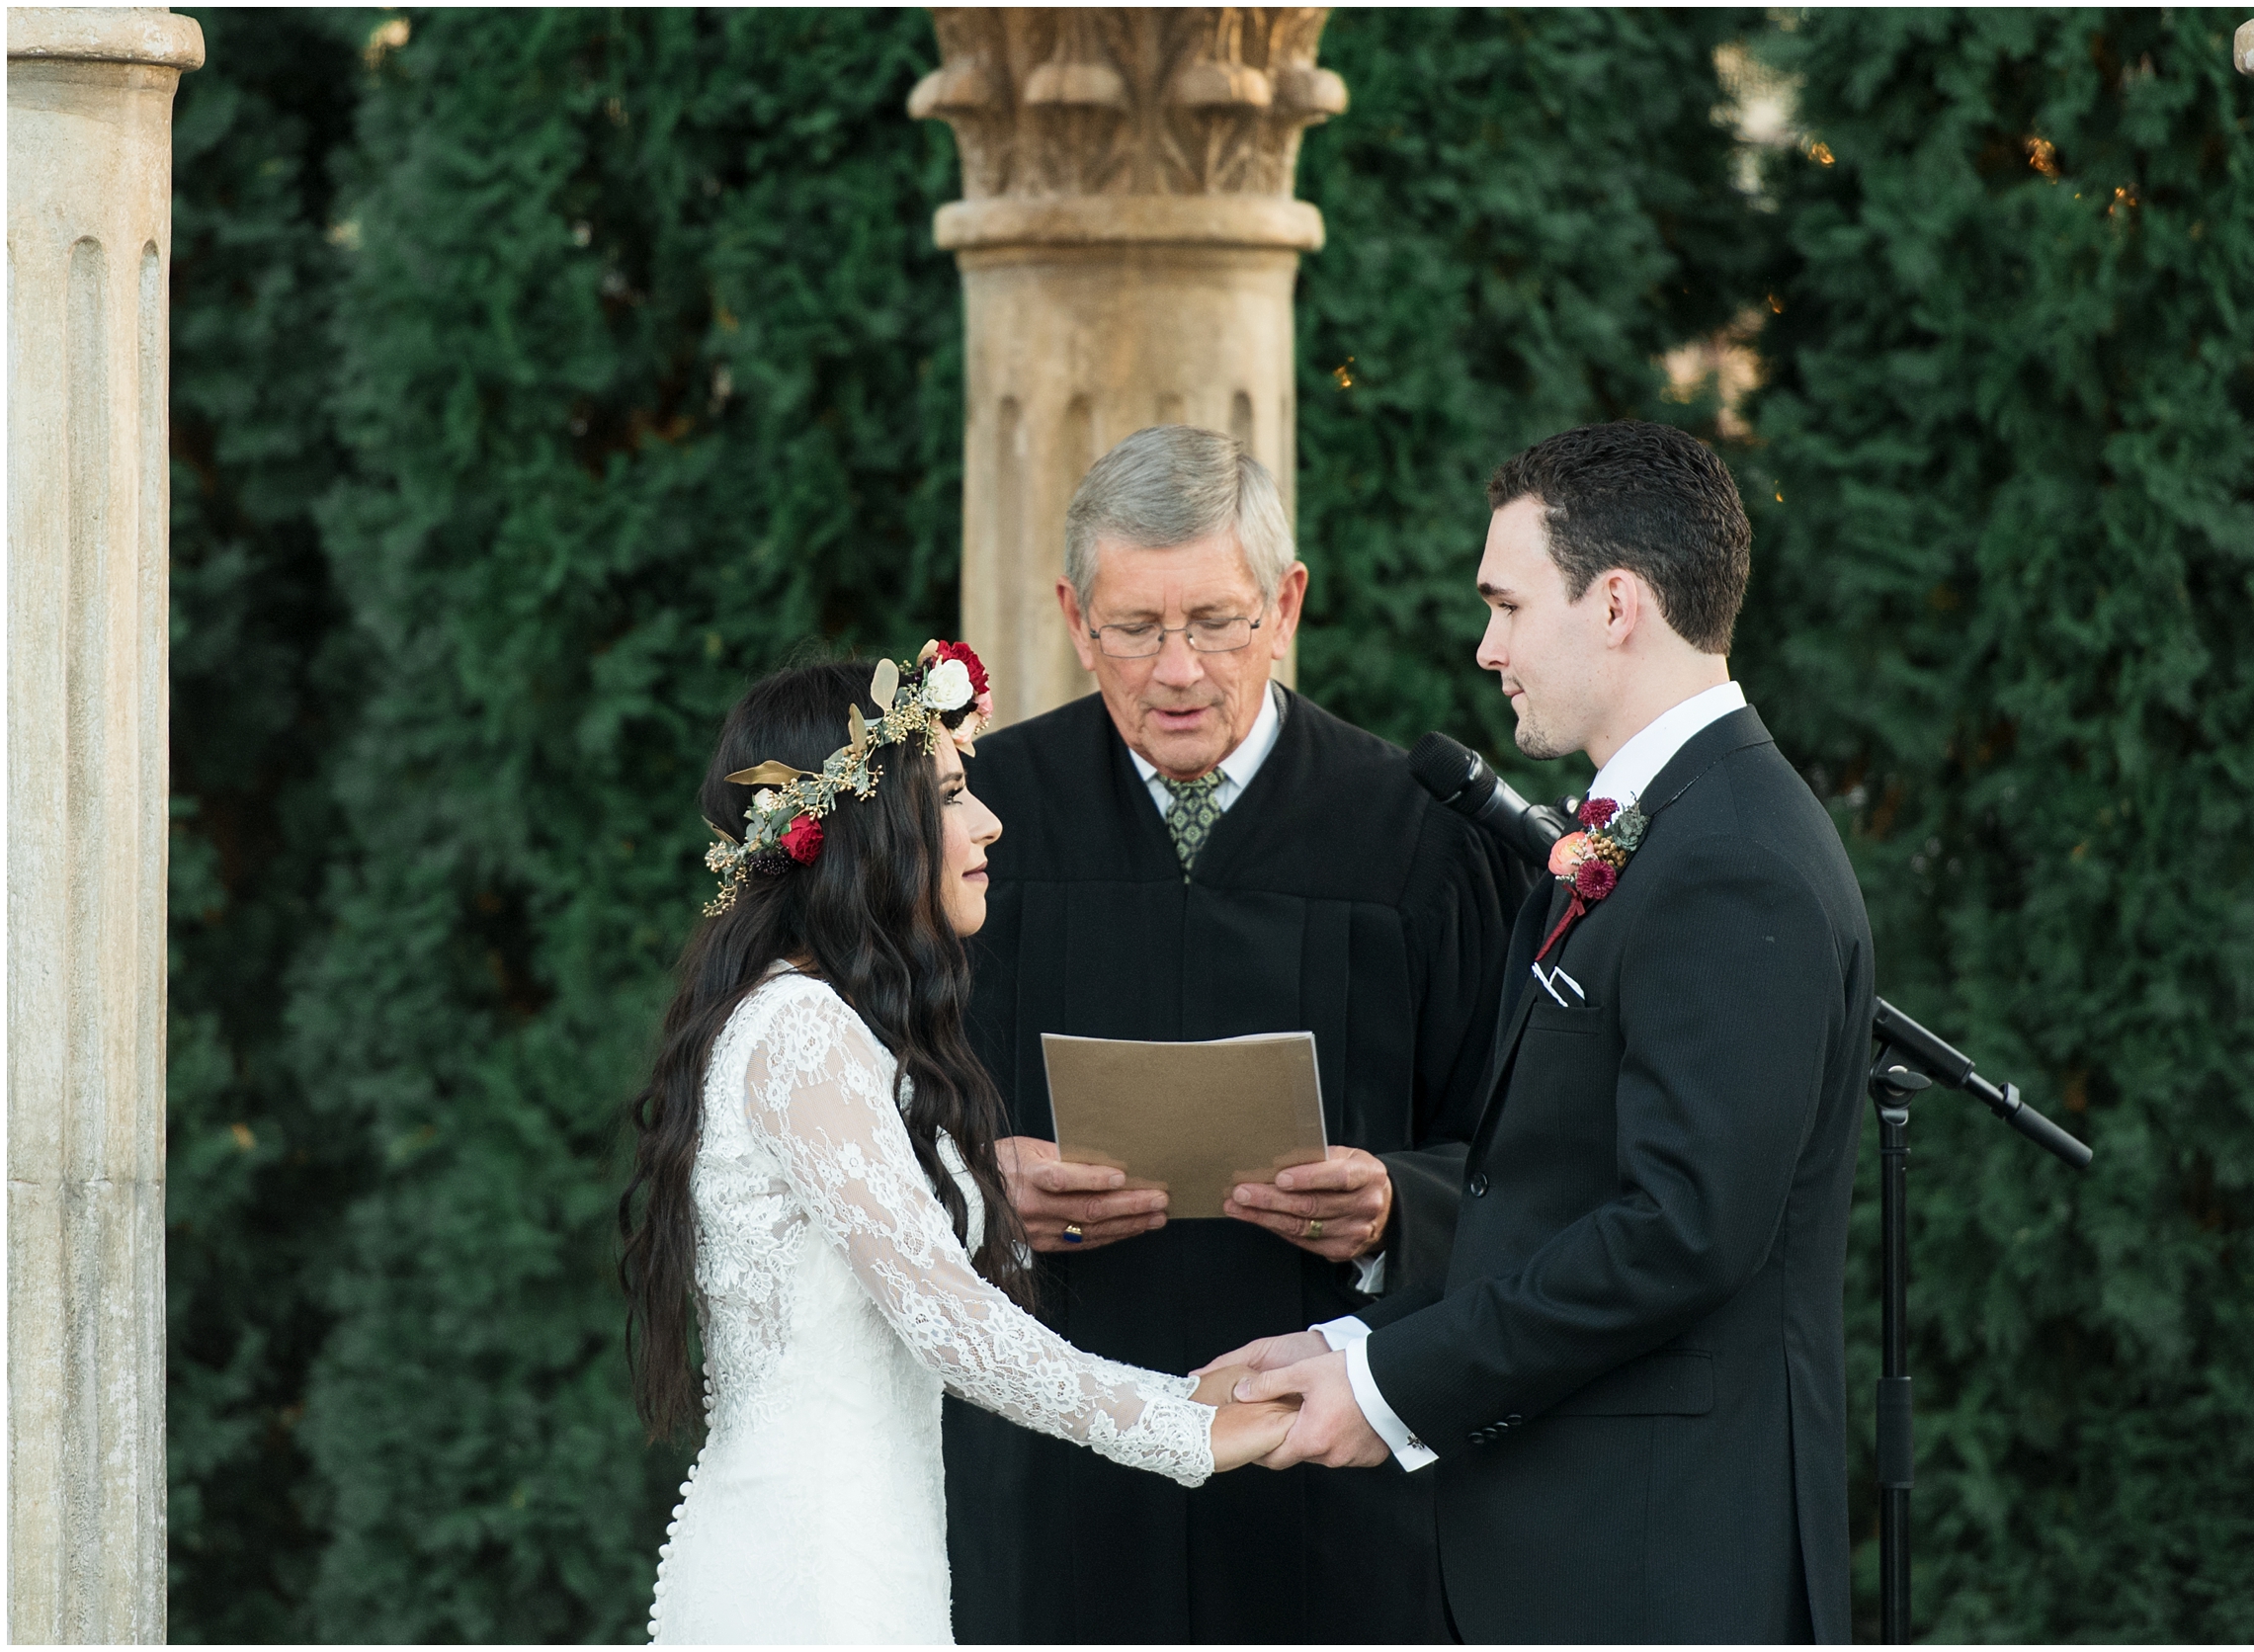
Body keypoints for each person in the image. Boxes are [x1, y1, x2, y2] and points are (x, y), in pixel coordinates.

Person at [1212, 420, 1874, 1643]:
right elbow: (1559, 1194)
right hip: (1586, 1547)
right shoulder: (1660, 826)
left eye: (1508, 606)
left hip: (1659, 1565)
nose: (1487, 646)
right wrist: (1348, 1338)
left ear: (1614, 602)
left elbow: (1678, 1233)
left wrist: (1387, 1386)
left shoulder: (1736, 858)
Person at [947, 426, 1534, 1643]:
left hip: (1325, 1482)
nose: (1176, 668)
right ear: (1070, 613)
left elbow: (1521, 1153)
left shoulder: (1418, 840)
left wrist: (1394, 1206)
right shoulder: (973, 823)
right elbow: (864, 1116)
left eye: (1215, 621)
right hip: (1049, 1472)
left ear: (1285, 604)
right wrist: (972, 1181)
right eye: (1133, 627)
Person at [618, 650, 1296, 1645]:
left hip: (863, 1550)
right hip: (811, 1578)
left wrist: (1184, 1382)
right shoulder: (800, 1030)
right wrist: (1186, 1430)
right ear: (862, 828)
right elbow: (950, 1325)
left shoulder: (815, 1022)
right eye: (948, 794)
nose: (988, 823)